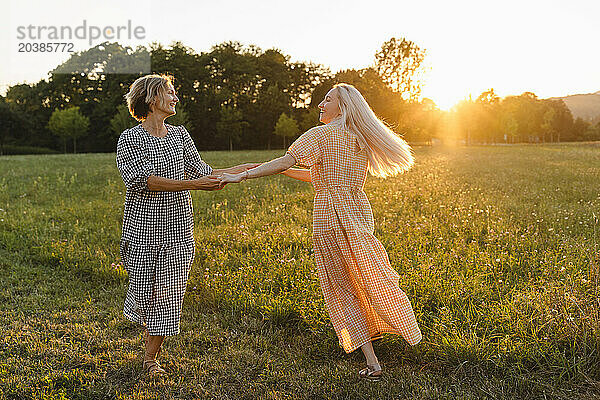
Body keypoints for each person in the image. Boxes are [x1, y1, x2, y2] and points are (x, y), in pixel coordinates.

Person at [220, 83, 422, 380]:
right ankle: (389, 329)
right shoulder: (359, 137)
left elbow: (286, 161)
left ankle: (372, 361)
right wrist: (284, 170)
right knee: (367, 272)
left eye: (327, 99)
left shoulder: (320, 135)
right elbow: (324, 177)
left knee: (341, 285)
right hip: (358, 211)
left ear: (343, 106)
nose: (320, 104)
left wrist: (245, 175)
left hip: (329, 215)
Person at [116, 74, 257, 375]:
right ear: (152, 99)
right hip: (142, 230)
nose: (176, 98)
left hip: (179, 231)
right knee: (145, 296)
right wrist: (195, 184)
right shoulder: (130, 139)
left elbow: (203, 171)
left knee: (168, 296)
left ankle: (150, 359)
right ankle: (147, 333)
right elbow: (144, 180)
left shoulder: (181, 135)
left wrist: (244, 170)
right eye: (170, 92)